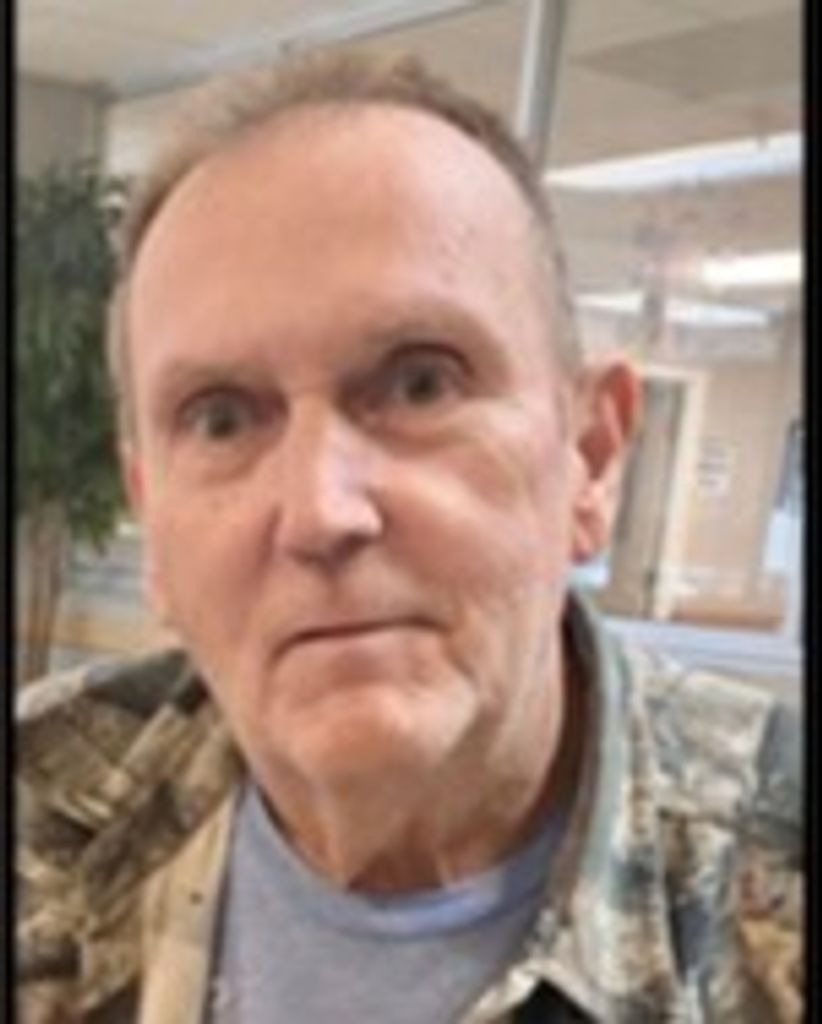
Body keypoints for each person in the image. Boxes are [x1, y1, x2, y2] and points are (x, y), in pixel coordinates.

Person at [17, 51, 801, 1023]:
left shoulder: (774, 880)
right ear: (154, 523)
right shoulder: (42, 803)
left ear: (591, 458)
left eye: (421, 383)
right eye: (220, 419)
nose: (319, 512)